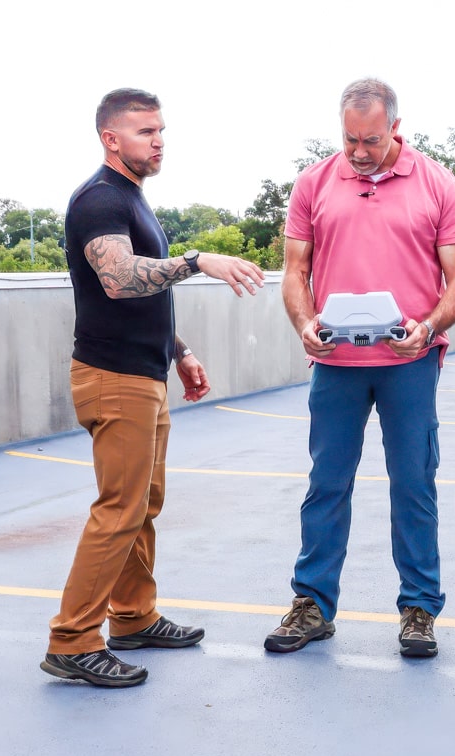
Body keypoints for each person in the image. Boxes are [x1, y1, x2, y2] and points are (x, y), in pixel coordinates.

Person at [41, 88, 266, 688]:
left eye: (161, 130)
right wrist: (197, 261)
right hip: (113, 379)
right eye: (144, 132)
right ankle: (72, 640)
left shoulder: (132, 200)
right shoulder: (99, 201)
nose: (158, 141)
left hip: (145, 373)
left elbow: (146, 296)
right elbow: (118, 280)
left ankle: (133, 618)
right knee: (118, 511)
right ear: (110, 138)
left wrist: (180, 350)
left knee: (143, 506)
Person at [265, 78, 455, 659]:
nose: (358, 152)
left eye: (372, 140)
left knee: (414, 484)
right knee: (326, 484)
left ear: (396, 129)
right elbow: (293, 272)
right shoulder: (313, 183)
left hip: (409, 361)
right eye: (350, 139)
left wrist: (428, 328)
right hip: (335, 362)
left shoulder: (437, 183)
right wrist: (304, 323)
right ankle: (311, 605)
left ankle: (419, 609)